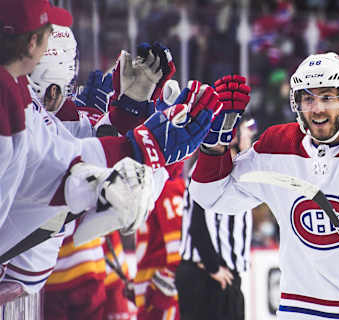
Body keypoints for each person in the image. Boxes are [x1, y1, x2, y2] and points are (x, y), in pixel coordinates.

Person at [189, 52, 339, 319]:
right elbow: (213, 197)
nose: (317, 109)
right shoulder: (277, 145)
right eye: (308, 98)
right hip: (305, 308)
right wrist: (214, 144)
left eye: (327, 97)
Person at [0, 0, 222, 258]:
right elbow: (52, 166)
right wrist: (144, 147)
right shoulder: (9, 99)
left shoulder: (15, 91)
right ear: (31, 44)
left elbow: (59, 153)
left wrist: (129, 116)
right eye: (48, 32)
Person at [175, 117, 256, 320]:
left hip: (219, 275)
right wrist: (213, 267)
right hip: (210, 276)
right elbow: (198, 224)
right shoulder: (214, 168)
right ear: (233, 135)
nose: (252, 135)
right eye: (248, 130)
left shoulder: (236, 167)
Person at [134, 162, 186, 320]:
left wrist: (158, 298)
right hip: (149, 295)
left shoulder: (168, 187)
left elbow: (178, 254)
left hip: (162, 302)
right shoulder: (152, 186)